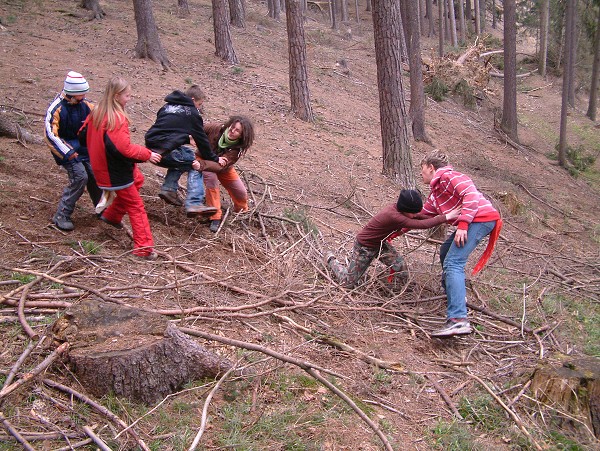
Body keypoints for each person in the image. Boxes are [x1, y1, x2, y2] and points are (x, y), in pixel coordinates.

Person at [419, 150, 502, 338]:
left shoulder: (449, 177)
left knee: (453, 263)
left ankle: (458, 320)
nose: (421, 174)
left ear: (431, 168)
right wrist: (396, 224)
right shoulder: (436, 193)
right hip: (474, 220)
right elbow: (423, 215)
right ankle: (454, 294)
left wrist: (463, 224)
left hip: (480, 219)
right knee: (445, 251)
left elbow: (470, 194)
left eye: (422, 169)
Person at [84, 77, 162, 260]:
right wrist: (147, 154)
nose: (129, 99)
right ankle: (143, 248)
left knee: (139, 179)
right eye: (127, 96)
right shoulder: (116, 119)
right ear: (117, 96)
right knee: (136, 207)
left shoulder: (96, 113)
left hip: (104, 166)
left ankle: (112, 216)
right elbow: (123, 148)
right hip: (113, 173)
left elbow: (82, 135)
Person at [325, 189, 460, 289]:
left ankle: (398, 290)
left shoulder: (402, 211)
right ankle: (332, 261)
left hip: (380, 244)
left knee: (400, 265)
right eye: (412, 213)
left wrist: (446, 218)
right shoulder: (393, 215)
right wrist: (446, 217)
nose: (414, 215)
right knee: (347, 283)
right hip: (364, 247)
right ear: (405, 209)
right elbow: (421, 224)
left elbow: (420, 217)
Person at [144, 85, 226, 217]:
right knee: (195, 164)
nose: (199, 108)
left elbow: (167, 130)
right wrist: (214, 158)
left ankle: (169, 189)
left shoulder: (167, 107)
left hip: (151, 148)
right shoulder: (192, 113)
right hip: (165, 151)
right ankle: (194, 202)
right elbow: (202, 140)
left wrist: (186, 139)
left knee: (184, 156)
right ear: (192, 99)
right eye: (199, 104)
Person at [45, 71, 102, 231]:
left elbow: (101, 117)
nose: (84, 96)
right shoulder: (56, 108)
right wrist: (67, 152)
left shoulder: (86, 106)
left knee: (95, 176)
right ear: (72, 93)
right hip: (66, 152)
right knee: (80, 177)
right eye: (81, 93)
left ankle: (102, 208)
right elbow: (51, 134)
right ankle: (62, 214)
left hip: (84, 150)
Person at [203, 115, 255, 233]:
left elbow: (222, 165)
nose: (232, 131)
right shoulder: (216, 128)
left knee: (240, 192)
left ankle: (241, 213)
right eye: (232, 127)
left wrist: (213, 161)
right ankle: (215, 216)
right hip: (203, 161)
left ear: (242, 135)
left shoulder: (238, 149)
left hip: (223, 167)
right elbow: (197, 130)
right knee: (211, 181)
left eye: (237, 131)